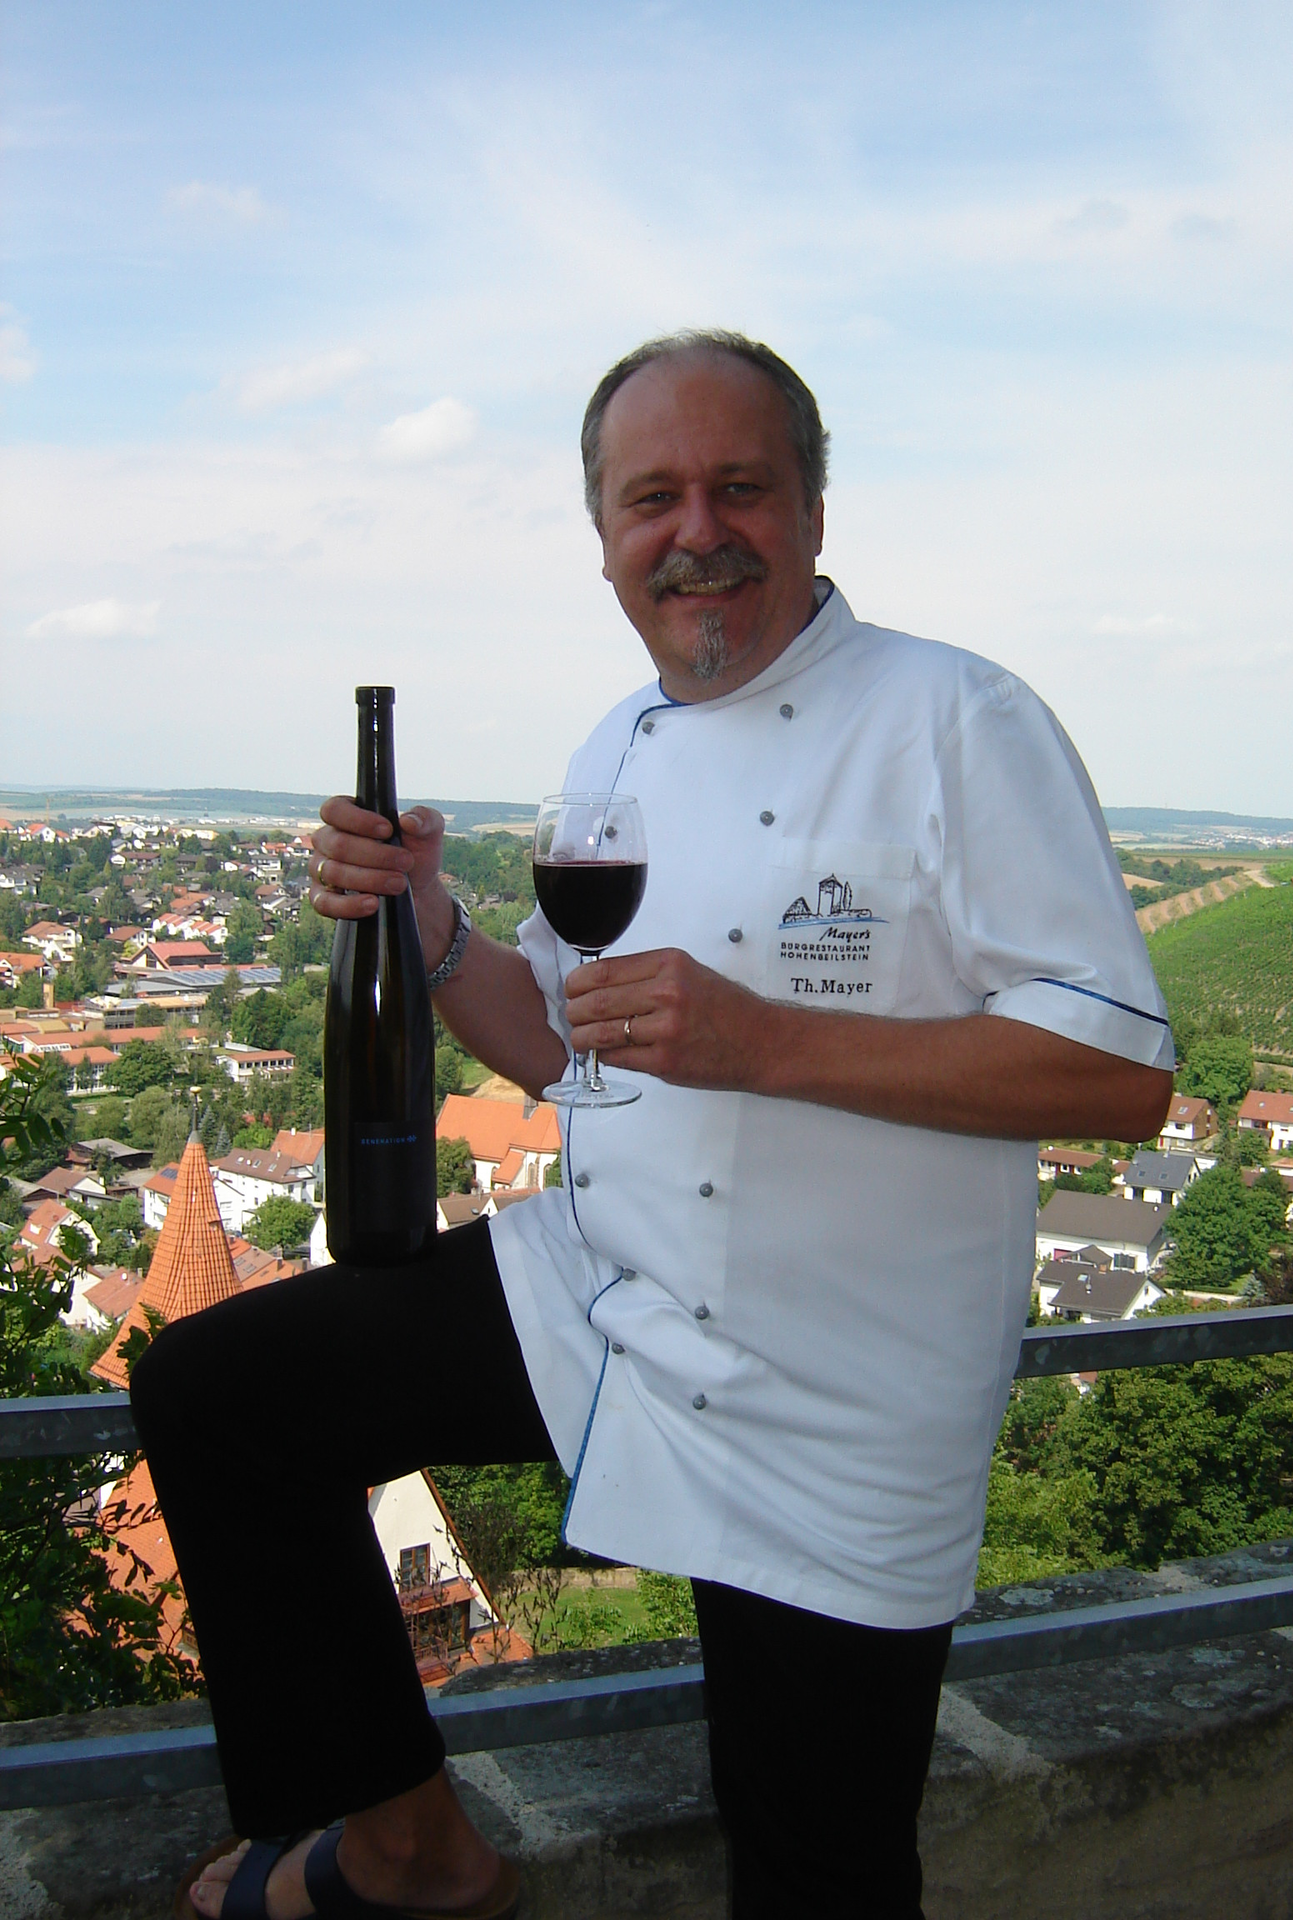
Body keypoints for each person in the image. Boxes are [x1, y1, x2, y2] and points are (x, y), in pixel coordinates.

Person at [137, 330, 1173, 1920]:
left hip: (842, 1383)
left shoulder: (958, 718)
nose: (698, 532)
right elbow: (560, 1045)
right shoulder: (616, 743)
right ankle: (412, 1852)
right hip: (605, 1285)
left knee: (813, 1864)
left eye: (739, 487)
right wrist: (427, 921)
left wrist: (767, 1040)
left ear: (813, 508)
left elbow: (1117, 1076)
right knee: (223, 1395)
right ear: (606, 536)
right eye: (653, 499)